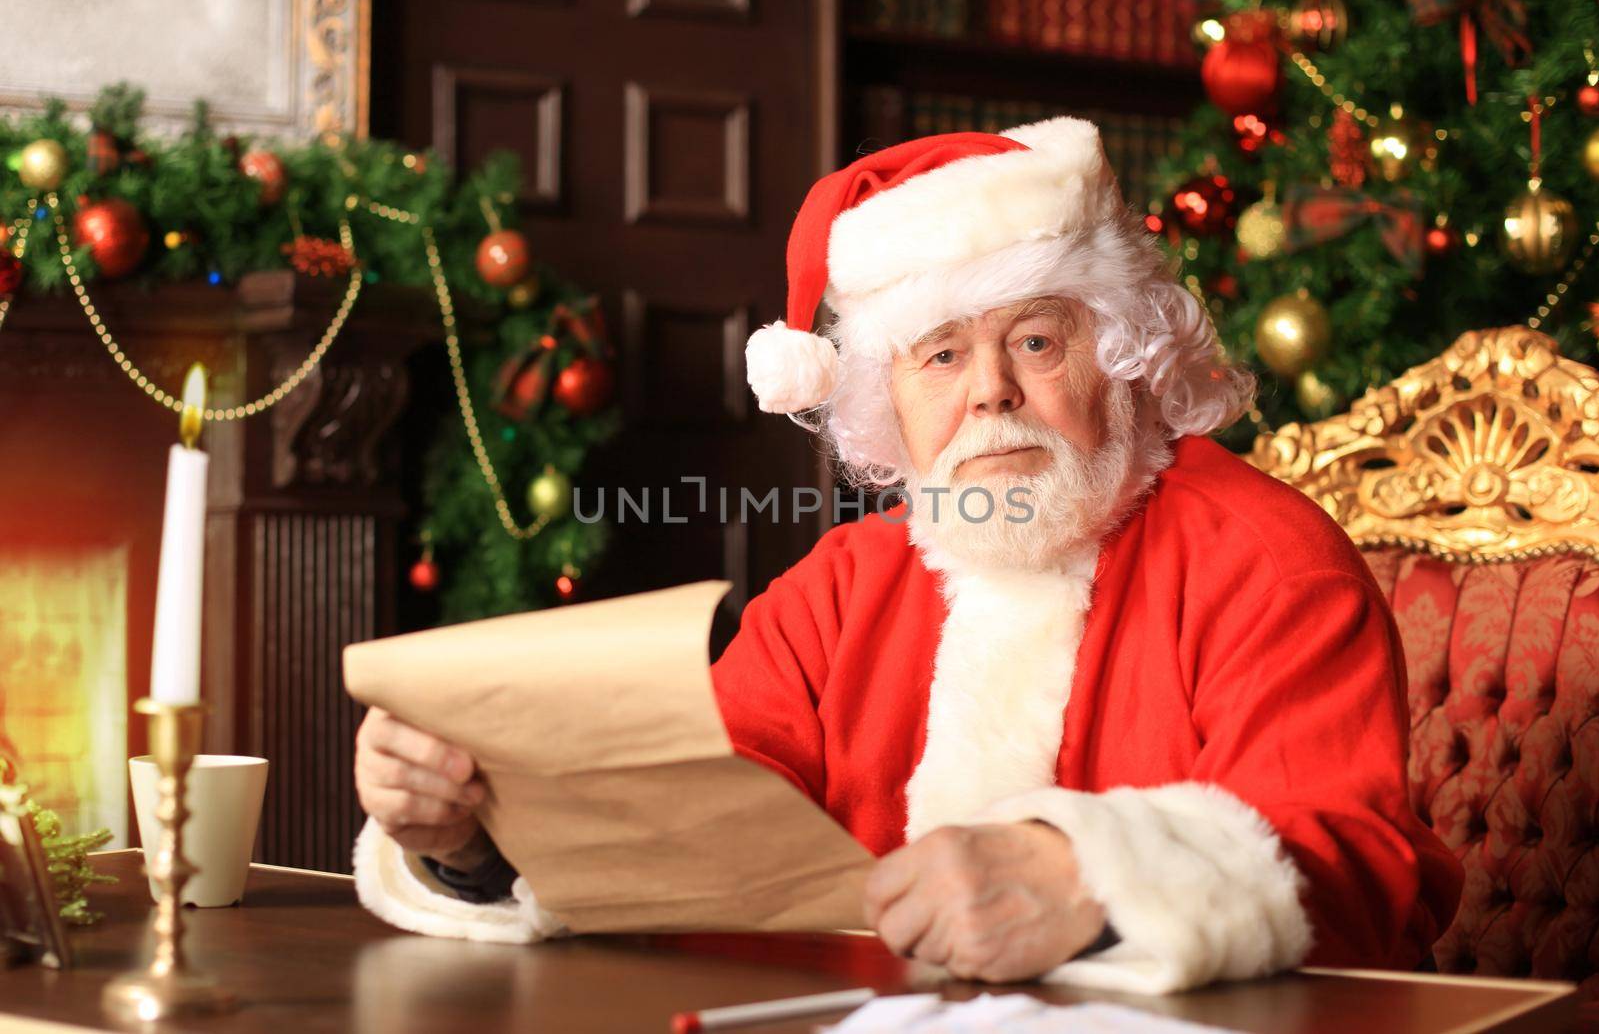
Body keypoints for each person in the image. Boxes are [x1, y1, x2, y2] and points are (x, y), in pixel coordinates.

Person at [350, 116, 1462, 994]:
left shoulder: (1266, 560)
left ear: (1120, 355)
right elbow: (686, 829)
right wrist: (478, 835)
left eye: (1034, 338)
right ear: (890, 404)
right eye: (939, 354)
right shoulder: (842, 586)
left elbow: (1356, 871)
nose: (989, 390)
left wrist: (1099, 879)